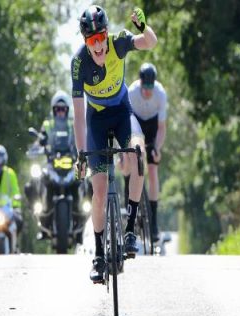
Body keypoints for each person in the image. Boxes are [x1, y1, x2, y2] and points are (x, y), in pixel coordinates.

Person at [73, 5, 157, 282]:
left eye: (101, 38)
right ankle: (98, 255)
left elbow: (150, 43)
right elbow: (78, 116)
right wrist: (80, 154)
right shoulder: (79, 63)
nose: (98, 46)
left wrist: (143, 27)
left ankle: (130, 230)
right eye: (91, 41)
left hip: (122, 112)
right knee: (98, 192)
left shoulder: (118, 43)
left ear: (107, 34)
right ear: (86, 42)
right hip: (95, 120)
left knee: (138, 154)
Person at [128, 62, 168, 244]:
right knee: (130, 162)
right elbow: (125, 125)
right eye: (145, 88)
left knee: (152, 170)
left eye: (150, 88)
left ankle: (153, 222)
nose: (147, 92)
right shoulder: (131, 92)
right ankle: (128, 207)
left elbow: (161, 128)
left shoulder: (160, 94)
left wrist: (157, 148)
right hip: (135, 123)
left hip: (152, 126)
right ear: (140, 83)